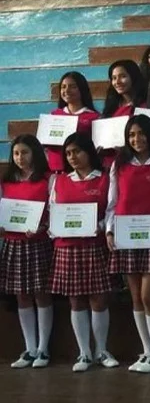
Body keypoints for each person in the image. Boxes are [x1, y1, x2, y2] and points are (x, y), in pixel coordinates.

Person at [105, 115, 150, 373]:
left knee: (149, 295)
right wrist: (110, 230)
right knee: (135, 296)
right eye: (132, 135)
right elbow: (113, 201)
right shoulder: (120, 164)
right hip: (126, 235)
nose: (137, 139)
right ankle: (146, 350)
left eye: (141, 134)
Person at [49, 132, 118, 372]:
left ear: (89, 151)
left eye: (77, 151)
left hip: (94, 245)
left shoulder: (104, 179)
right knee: (76, 300)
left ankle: (101, 350)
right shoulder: (59, 180)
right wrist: (56, 229)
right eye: (68, 153)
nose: (73, 157)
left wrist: (100, 227)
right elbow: (53, 212)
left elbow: (111, 210)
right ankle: (84, 353)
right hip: (67, 247)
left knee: (98, 298)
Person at [1, 135, 54, 369]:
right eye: (16, 154)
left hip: (38, 243)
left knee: (41, 293)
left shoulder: (47, 179)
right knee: (21, 295)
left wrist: (43, 226)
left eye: (25, 152)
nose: (20, 158)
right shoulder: (6, 182)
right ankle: (29, 347)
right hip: (13, 243)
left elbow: (55, 211)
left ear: (35, 153)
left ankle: (43, 348)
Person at [46, 71, 100, 172]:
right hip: (56, 171)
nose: (67, 90)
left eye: (72, 87)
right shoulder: (53, 115)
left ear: (82, 89)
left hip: (83, 172)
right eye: (63, 87)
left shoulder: (94, 117)